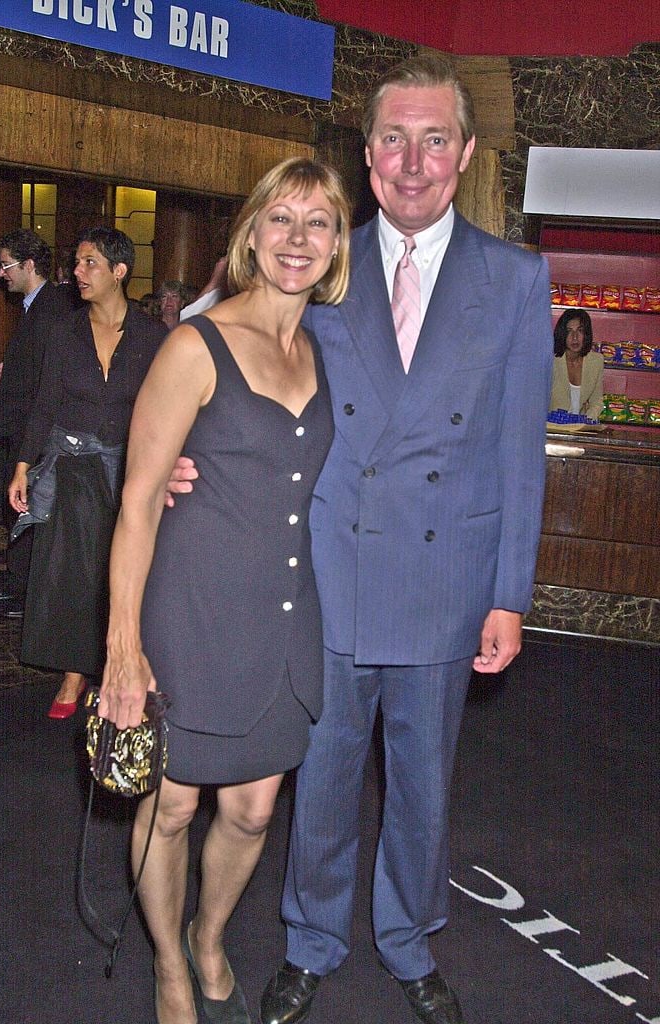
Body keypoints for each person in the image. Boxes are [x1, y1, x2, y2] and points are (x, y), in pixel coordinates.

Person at [168, 55, 553, 1024]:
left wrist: (510, 593)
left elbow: (519, 449)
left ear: (465, 154)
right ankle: (312, 940)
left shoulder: (515, 277)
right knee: (326, 780)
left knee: (422, 787)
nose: (412, 161)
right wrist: (176, 454)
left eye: (434, 140)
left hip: (448, 577)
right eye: (393, 139)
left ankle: (409, 940)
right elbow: (220, 344)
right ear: (367, 154)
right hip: (328, 571)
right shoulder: (321, 261)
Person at [99, 157, 350, 1024]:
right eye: (281, 218)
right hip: (192, 612)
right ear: (251, 233)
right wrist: (122, 651)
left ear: (337, 244)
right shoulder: (193, 345)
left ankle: (209, 937)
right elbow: (137, 504)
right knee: (171, 808)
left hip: (283, 620)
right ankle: (170, 964)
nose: (297, 238)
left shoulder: (321, 348)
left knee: (251, 812)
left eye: (318, 223)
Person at [8, 227, 167, 718]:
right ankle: (75, 673)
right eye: (77, 262)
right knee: (74, 575)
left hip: (128, 472)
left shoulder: (153, 337)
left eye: (89, 262)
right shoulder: (64, 331)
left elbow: (166, 409)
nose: (77, 272)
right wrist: (22, 467)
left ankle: (119, 664)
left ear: (119, 271)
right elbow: (45, 405)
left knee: (121, 573)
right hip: (73, 468)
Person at [0, 229, 76, 618]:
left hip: (33, 432)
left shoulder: (51, 308)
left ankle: (27, 595)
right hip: (24, 428)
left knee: (28, 511)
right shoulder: (36, 306)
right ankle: (19, 585)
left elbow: (51, 377)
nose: (1, 274)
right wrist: (9, 368)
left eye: (6, 265)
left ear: (28, 265)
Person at [550, 308, 604, 419]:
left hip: (580, 427)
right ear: (562, 334)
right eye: (569, 331)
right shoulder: (551, 361)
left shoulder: (596, 361)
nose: (575, 337)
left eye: (580, 330)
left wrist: (585, 421)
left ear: (586, 334)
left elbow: (597, 402)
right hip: (550, 426)